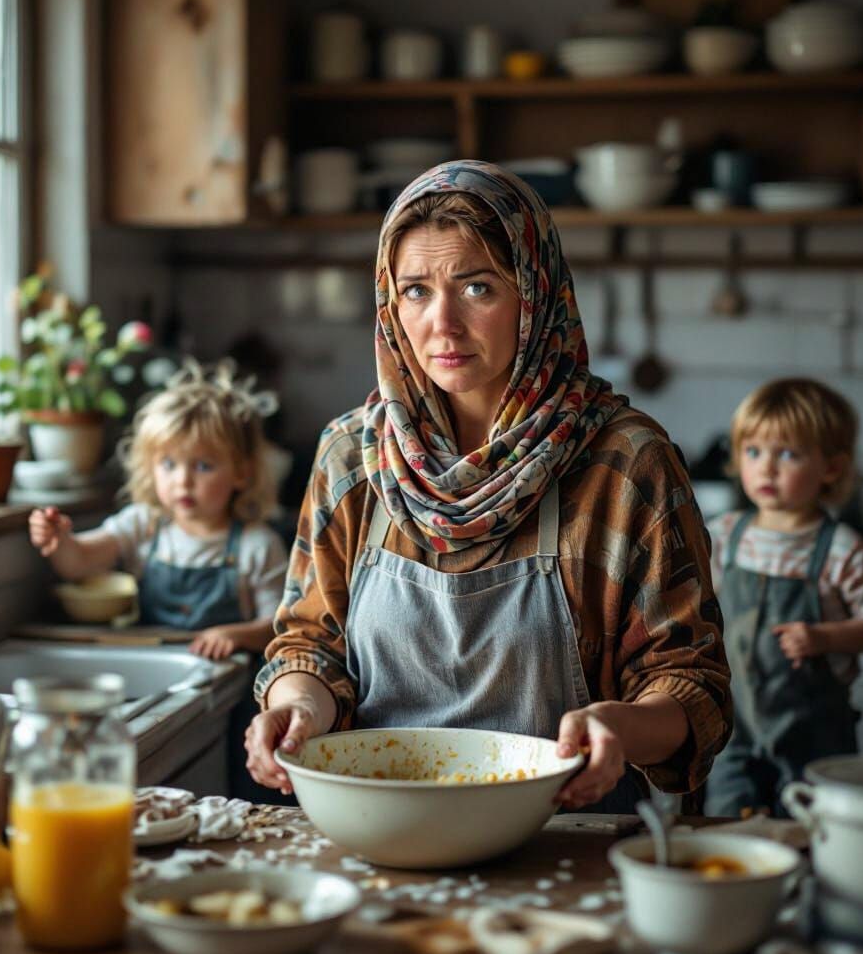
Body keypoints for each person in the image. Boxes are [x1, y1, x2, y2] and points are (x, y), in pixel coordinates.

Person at [245, 160, 731, 811]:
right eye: (415, 290)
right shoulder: (353, 457)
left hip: (562, 837)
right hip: (380, 825)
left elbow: (691, 683)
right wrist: (298, 705)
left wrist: (621, 728)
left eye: (477, 288)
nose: (440, 325)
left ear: (533, 295)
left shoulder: (623, 461)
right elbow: (311, 644)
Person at [704, 377, 863, 817]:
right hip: (733, 737)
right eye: (754, 452)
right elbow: (695, 612)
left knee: (815, 839)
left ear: (830, 468)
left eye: (788, 454)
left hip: (816, 744)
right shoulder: (725, 535)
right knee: (727, 831)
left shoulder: (843, 549)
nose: (766, 468)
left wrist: (828, 637)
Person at [28, 360, 288, 660]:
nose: (183, 481)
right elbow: (80, 563)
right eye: (169, 464)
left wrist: (233, 635)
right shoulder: (144, 524)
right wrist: (59, 540)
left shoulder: (257, 545)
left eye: (203, 466)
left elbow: (278, 627)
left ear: (242, 473)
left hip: (225, 690)